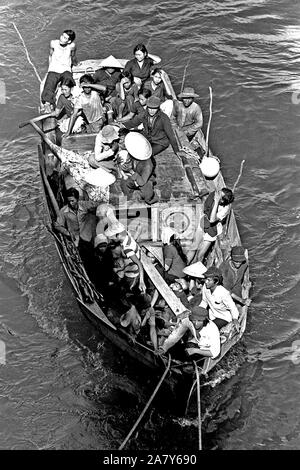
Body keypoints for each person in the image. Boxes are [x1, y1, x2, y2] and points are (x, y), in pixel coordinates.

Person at [54, 187, 97, 272]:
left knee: (92, 256)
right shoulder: (63, 211)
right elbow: (58, 225)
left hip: (86, 235)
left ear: (77, 199)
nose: (70, 203)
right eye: (69, 201)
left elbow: (97, 205)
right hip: (75, 238)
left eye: (72, 201)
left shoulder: (84, 205)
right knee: (82, 258)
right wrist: (67, 233)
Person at [189, 187, 234, 263]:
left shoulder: (225, 208)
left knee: (200, 255)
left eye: (220, 196)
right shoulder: (215, 194)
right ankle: (185, 266)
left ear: (222, 201)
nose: (217, 195)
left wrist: (216, 202)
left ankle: (197, 271)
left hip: (213, 230)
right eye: (218, 193)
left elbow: (212, 220)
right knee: (193, 246)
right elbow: (206, 207)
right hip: (204, 222)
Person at [41, 30, 77, 108]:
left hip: (65, 69)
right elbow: (50, 55)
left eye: (65, 38)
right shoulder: (53, 43)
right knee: (49, 86)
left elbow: (73, 56)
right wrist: (50, 68)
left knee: (68, 82)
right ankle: (48, 104)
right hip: (54, 68)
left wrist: (75, 63)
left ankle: (67, 100)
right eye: (62, 35)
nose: (61, 38)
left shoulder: (72, 46)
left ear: (69, 41)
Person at [119, 131, 157, 204]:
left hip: (144, 180)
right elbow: (129, 162)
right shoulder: (132, 153)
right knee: (124, 184)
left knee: (147, 195)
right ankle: (130, 197)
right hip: (134, 174)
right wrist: (124, 166)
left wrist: (131, 172)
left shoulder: (148, 166)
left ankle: (152, 198)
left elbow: (142, 182)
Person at [172, 86, 207, 157]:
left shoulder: (196, 108)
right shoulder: (178, 105)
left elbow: (199, 123)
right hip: (178, 128)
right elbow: (172, 117)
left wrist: (187, 131)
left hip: (189, 131)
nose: (186, 101)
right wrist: (175, 127)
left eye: (189, 98)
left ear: (193, 99)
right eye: (185, 98)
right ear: (182, 98)